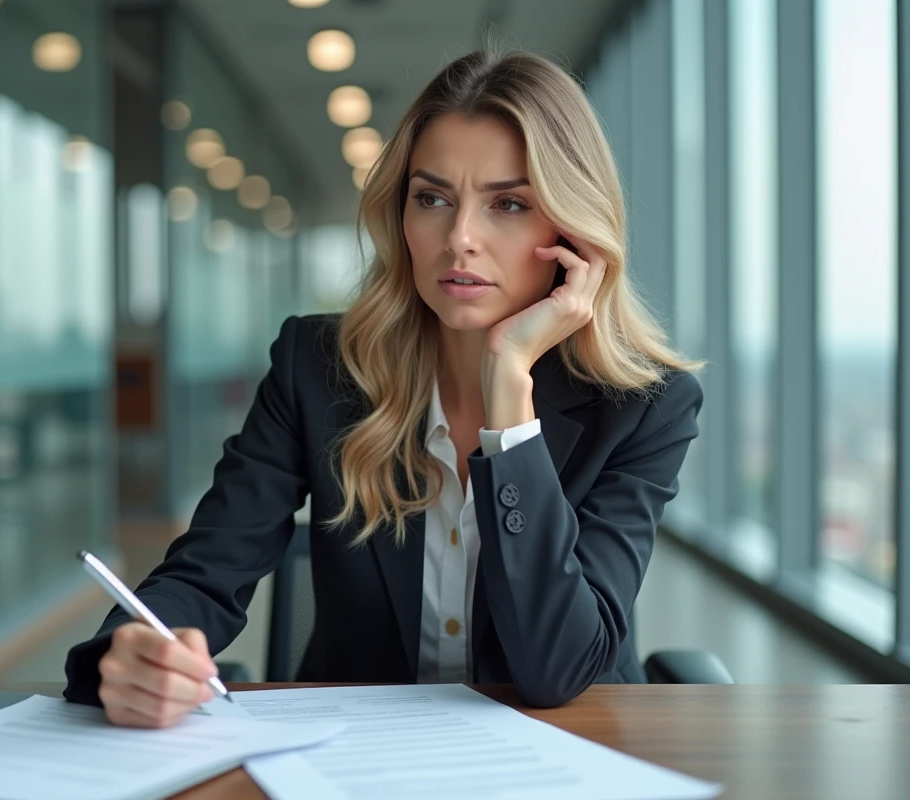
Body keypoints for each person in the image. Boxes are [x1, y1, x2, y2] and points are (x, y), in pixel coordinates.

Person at [64, 48, 702, 728]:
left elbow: (558, 668)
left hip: (571, 751)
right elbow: (204, 573)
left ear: (572, 232)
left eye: (509, 204)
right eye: (432, 199)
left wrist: (509, 390)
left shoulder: (644, 406)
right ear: (402, 215)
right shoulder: (316, 368)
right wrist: (128, 656)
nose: (460, 238)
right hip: (349, 760)